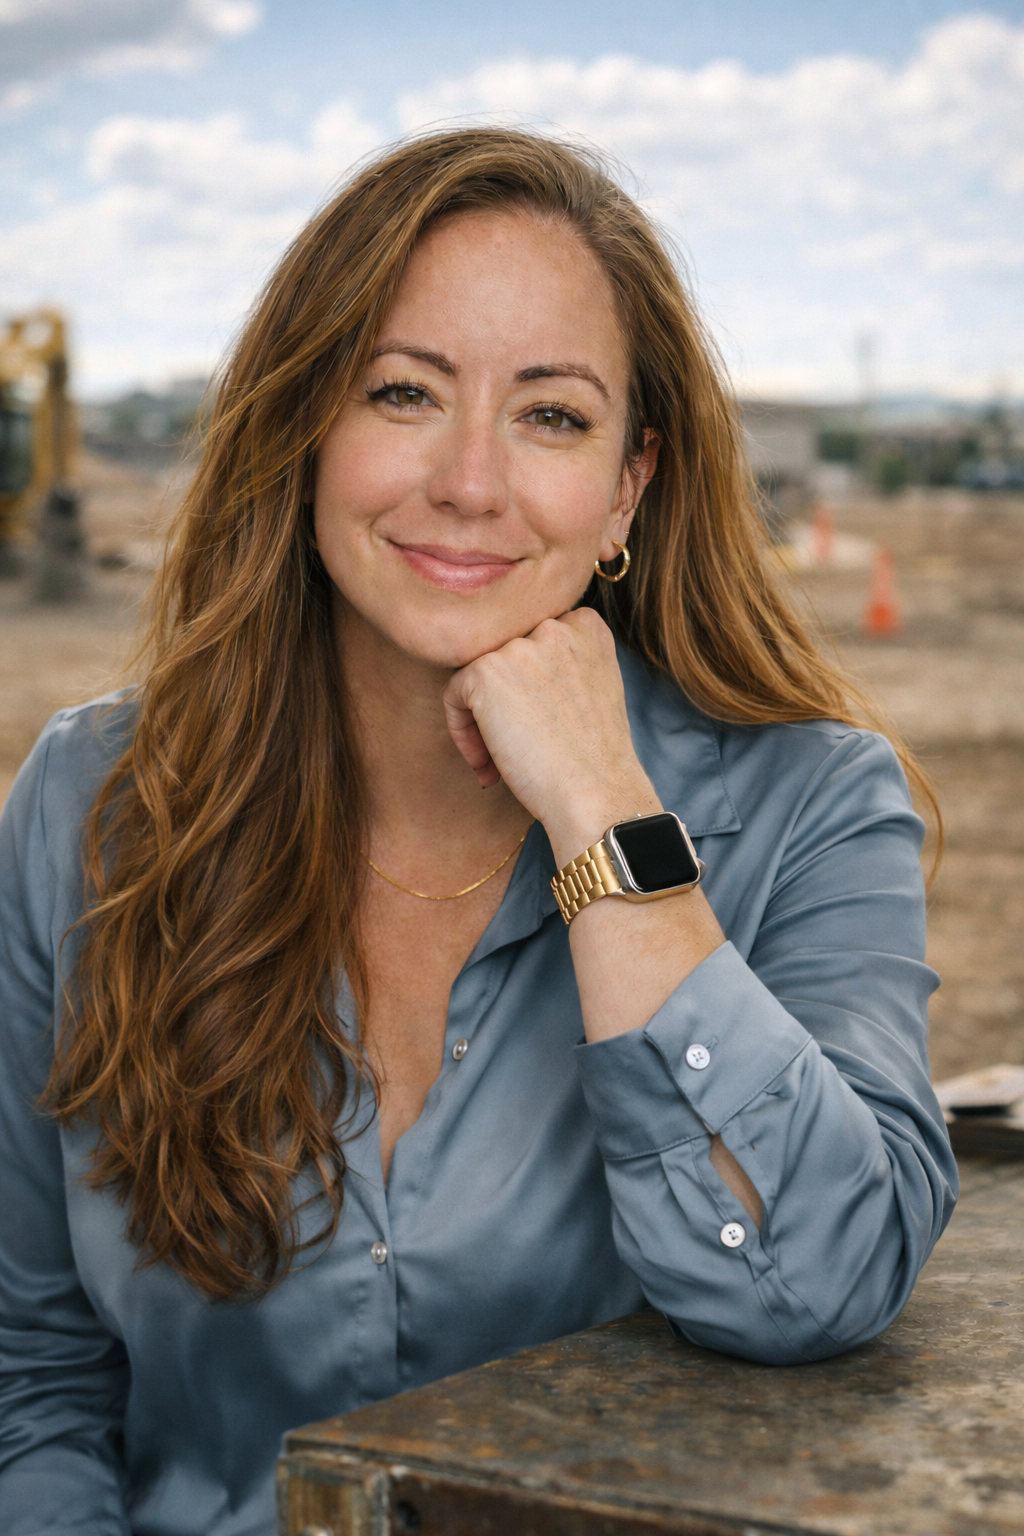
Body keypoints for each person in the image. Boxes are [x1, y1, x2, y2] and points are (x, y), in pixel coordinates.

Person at [0, 129, 956, 1536]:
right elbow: (33, 1378)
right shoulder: (94, 802)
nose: (468, 480)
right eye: (404, 392)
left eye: (551, 417)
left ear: (630, 485)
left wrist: (604, 811)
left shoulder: (814, 808)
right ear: (306, 428)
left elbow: (816, 1280)